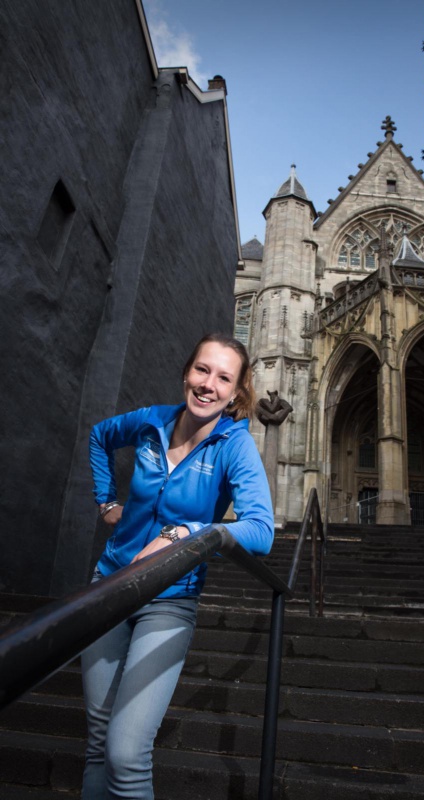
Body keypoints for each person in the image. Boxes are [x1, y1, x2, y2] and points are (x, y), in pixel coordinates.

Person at [81, 333, 274, 800]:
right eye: (202, 370)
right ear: (187, 373)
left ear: (237, 390)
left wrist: (190, 532)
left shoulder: (234, 445)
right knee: (97, 743)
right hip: (108, 586)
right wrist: (107, 501)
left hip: (167, 601)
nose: (209, 385)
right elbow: (99, 437)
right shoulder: (152, 421)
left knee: (126, 754)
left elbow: (261, 530)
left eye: (223, 378)